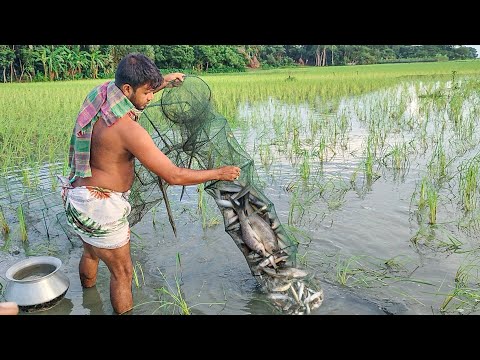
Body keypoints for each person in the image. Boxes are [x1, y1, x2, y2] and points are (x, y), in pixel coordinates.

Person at [60, 53, 240, 315]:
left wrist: (163, 81)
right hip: (101, 208)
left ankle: (90, 302)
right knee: (122, 273)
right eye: (147, 92)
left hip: (76, 198)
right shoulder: (128, 130)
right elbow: (173, 175)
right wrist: (218, 172)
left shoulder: (98, 95)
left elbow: (130, 92)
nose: (151, 97)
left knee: (91, 253)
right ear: (127, 89)